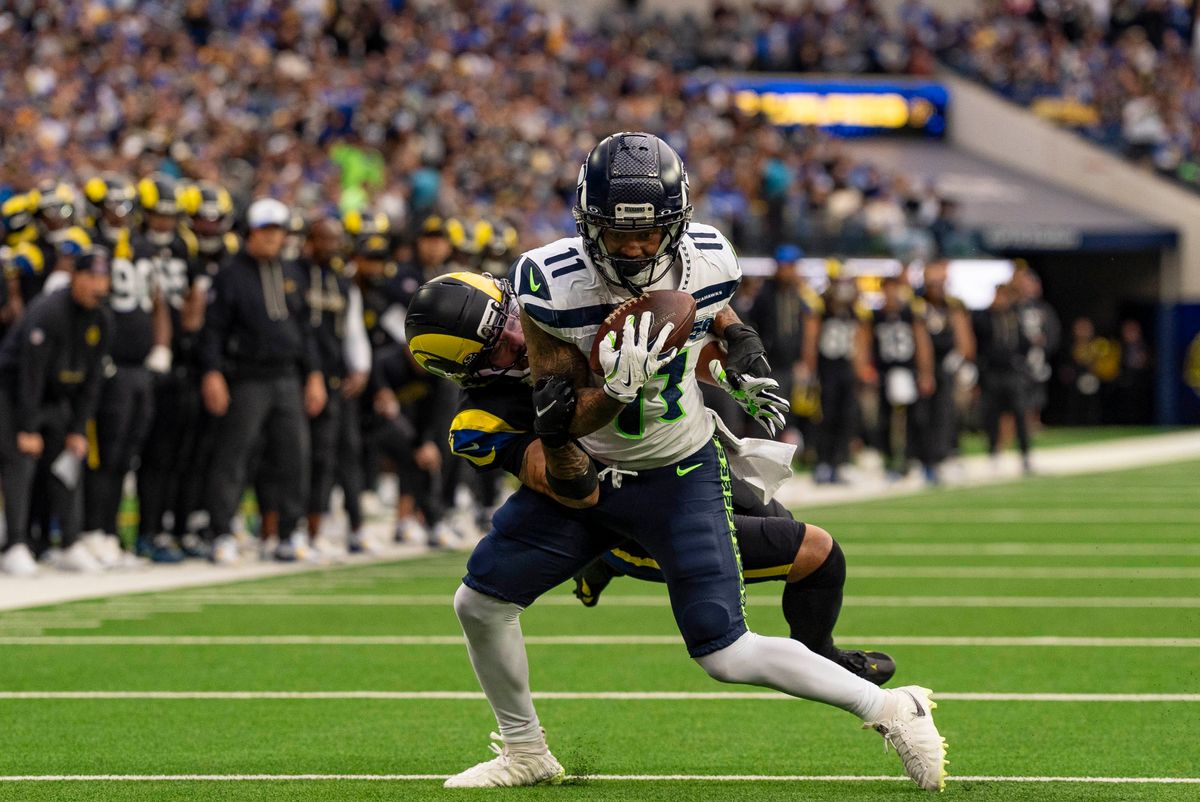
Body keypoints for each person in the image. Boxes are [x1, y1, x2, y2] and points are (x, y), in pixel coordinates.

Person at [442, 133, 946, 791]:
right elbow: (559, 426)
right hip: (590, 470)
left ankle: (893, 709)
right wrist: (615, 392)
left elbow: (709, 309)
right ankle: (526, 751)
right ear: (585, 222)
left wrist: (739, 348)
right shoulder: (550, 284)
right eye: (614, 233)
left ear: (675, 225)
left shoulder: (710, 260)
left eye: (648, 233)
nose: (630, 247)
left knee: (726, 653)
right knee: (478, 605)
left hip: (679, 473)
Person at [407, 270, 895, 683]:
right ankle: (821, 656)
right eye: (495, 350)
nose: (517, 339)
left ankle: (601, 565)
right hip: (631, 514)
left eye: (509, 320)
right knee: (817, 554)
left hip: (685, 468)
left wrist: (731, 363)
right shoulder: (480, 420)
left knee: (780, 519)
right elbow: (576, 489)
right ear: (468, 374)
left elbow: (680, 322)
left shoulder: (550, 302)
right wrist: (581, 412)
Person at [197, 198, 326, 564]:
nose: (273, 238)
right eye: (266, 230)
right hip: (246, 376)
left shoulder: (292, 273)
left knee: (293, 457)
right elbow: (213, 331)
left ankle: (289, 531)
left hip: (287, 375)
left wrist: (313, 374)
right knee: (234, 455)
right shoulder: (230, 275)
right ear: (250, 233)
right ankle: (221, 531)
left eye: (279, 231)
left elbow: (305, 330)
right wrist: (212, 373)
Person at [0, 247, 112, 575]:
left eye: (102, 278)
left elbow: (92, 382)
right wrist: (27, 426)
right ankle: (16, 543)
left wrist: (78, 429)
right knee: (19, 463)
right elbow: (29, 375)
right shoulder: (49, 311)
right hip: (14, 394)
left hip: (58, 397)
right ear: (75, 277)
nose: (97, 285)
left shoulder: (102, 318)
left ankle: (69, 542)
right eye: (90, 277)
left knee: (67, 463)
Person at [867, 275, 934, 480]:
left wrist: (926, 373)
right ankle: (892, 461)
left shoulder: (910, 314)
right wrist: (867, 368)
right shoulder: (875, 315)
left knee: (917, 419)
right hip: (886, 372)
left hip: (908, 370)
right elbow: (865, 341)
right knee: (887, 420)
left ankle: (921, 461)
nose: (891, 294)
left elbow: (922, 342)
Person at [915, 260, 975, 483]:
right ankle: (923, 460)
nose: (937, 287)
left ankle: (946, 456)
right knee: (922, 416)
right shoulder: (919, 306)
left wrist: (960, 358)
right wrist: (925, 372)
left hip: (947, 368)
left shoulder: (953, 306)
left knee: (947, 414)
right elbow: (921, 342)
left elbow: (965, 338)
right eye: (933, 283)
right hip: (923, 369)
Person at [974, 283, 1033, 472]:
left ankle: (1025, 455)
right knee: (992, 415)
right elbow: (978, 340)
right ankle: (993, 453)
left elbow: (1024, 342)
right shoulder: (984, 316)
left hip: (1012, 373)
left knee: (1020, 413)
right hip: (992, 373)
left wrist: (1019, 362)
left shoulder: (1014, 316)